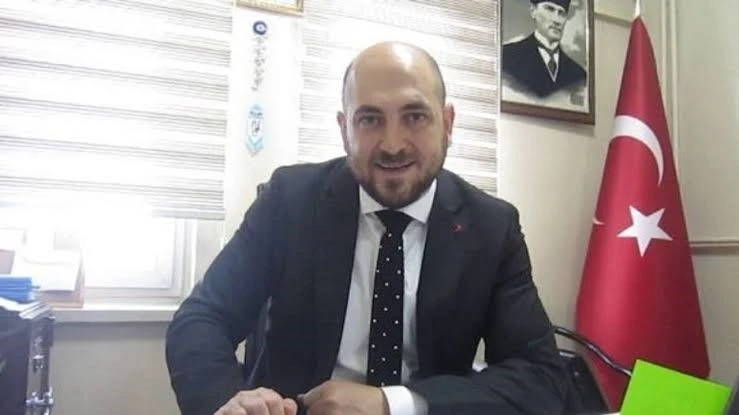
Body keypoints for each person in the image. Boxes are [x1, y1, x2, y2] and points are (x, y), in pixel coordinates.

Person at [165, 41, 567, 415]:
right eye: (370, 119)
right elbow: (202, 318)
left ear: (447, 123)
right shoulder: (289, 200)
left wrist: (392, 404)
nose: (392, 145)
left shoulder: (491, 227)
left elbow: (541, 376)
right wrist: (229, 402)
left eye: (415, 117)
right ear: (344, 129)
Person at [502, 0, 587, 98]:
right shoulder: (507, 56)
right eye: (550, 9)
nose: (557, 20)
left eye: (561, 13)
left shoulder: (578, 74)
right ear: (533, 11)